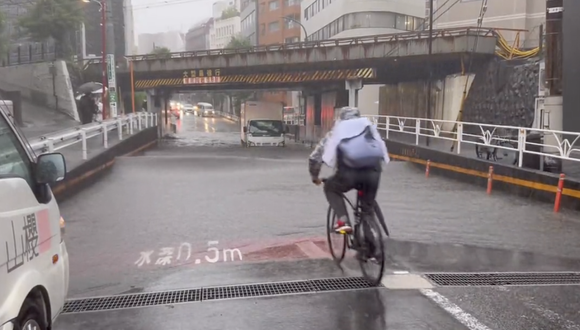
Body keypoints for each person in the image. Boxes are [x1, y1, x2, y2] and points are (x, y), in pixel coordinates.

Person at [308, 106, 390, 234]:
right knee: (366, 210)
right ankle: (372, 242)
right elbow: (382, 150)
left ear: (341, 118)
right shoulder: (369, 129)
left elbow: (315, 158)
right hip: (373, 173)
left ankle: (343, 221)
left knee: (330, 187)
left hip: (349, 175)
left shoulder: (337, 132)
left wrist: (315, 177)